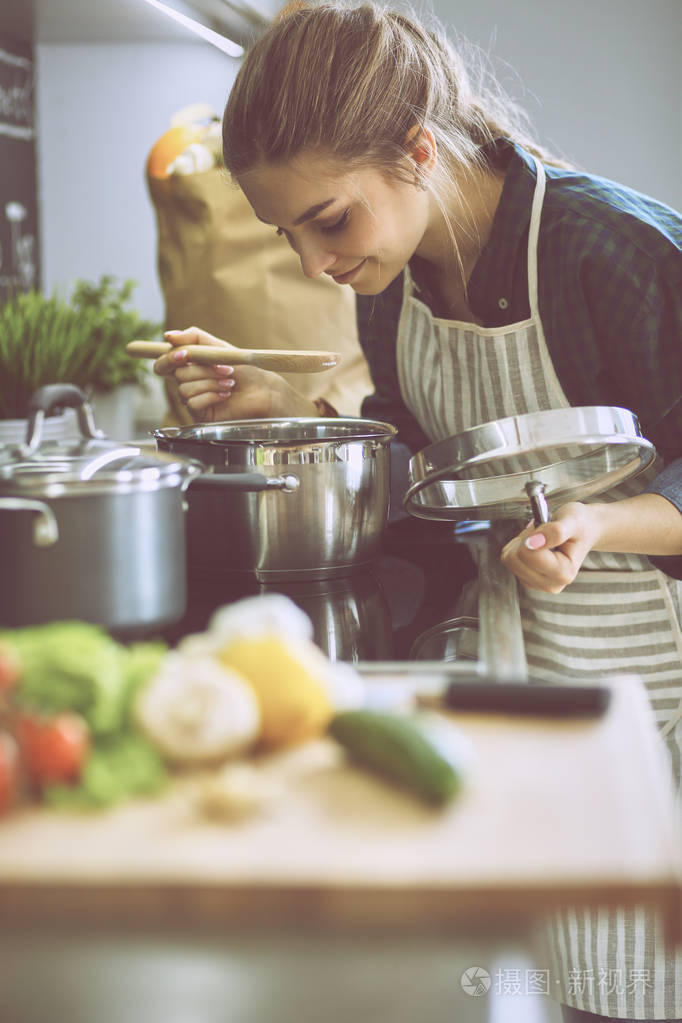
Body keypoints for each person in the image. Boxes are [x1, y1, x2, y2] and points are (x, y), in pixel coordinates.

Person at [153, 3, 682, 1019]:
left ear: (418, 151)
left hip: (657, 687)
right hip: (522, 671)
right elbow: (425, 466)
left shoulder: (610, 249)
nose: (313, 265)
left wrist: (606, 525)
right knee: (533, 982)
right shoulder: (392, 282)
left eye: (329, 221)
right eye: (286, 234)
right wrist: (289, 412)